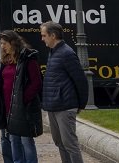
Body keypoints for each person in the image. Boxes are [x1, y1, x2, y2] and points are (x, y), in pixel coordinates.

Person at [40, 21, 89, 163]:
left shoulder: (66, 53)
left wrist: (81, 104)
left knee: (70, 144)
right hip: (53, 106)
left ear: (53, 35)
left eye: (44, 35)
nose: (42, 39)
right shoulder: (53, 52)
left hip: (65, 106)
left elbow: (80, 80)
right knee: (59, 142)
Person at [0, 30, 42, 163]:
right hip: (8, 109)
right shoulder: (3, 62)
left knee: (26, 141)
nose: (2, 46)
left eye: (4, 43)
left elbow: (36, 83)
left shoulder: (27, 59)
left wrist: (22, 100)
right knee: (13, 140)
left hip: (23, 108)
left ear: (13, 43)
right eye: (1, 43)